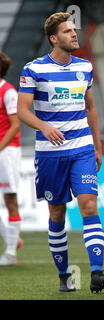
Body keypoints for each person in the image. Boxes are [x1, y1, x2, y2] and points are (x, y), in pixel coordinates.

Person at [17, 12, 104, 292]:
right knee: (57, 214)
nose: (74, 34)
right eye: (67, 31)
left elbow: (91, 107)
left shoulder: (85, 67)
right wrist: (44, 127)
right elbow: (22, 110)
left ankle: (97, 274)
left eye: (74, 29)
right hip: (50, 154)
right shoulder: (33, 69)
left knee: (89, 206)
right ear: (53, 38)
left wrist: (97, 146)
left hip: (82, 148)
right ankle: (64, 276)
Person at [0, 51, 23, 266]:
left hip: (6, 152)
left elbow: (16, 124)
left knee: (10, 199)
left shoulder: (8, 92)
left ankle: (10, 253)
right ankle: (12, 237)